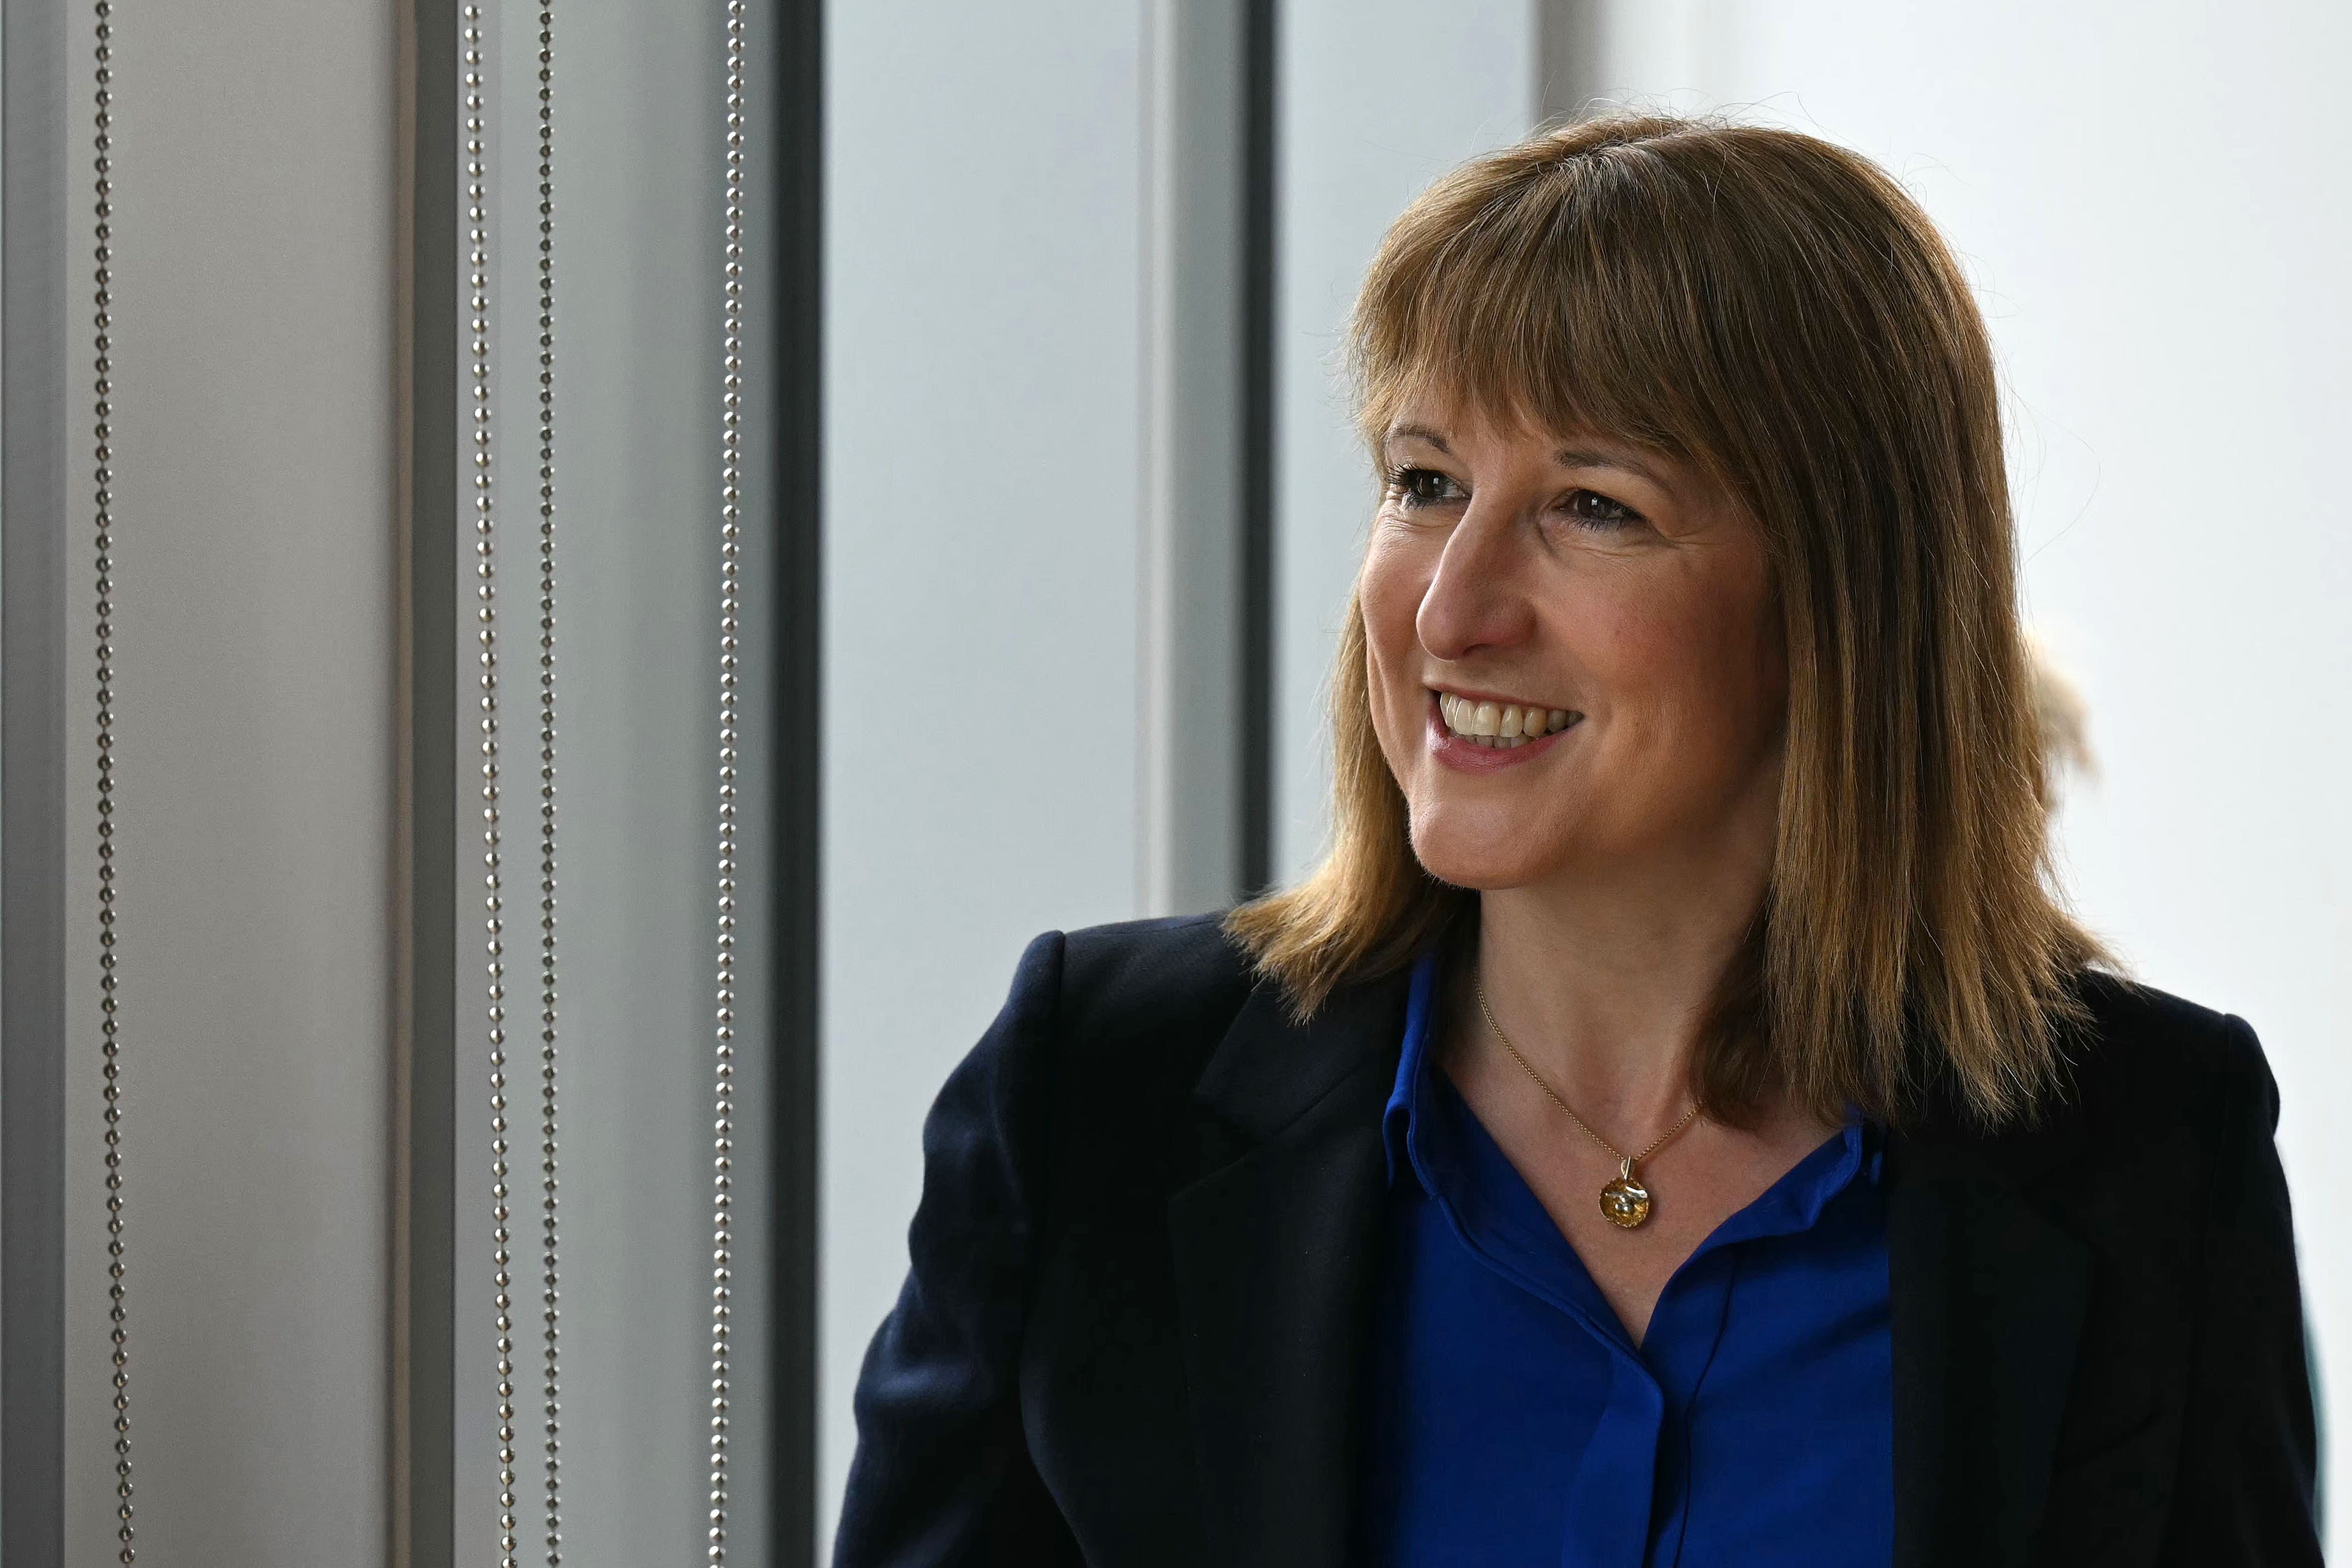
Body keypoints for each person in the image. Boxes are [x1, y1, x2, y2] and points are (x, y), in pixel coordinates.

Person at [831, 114, 2321, 1568]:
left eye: (1592, 508)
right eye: (1425, 485)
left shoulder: (2146, 1151)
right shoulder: (1095, 1093)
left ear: (1839, 607)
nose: (1445, 610)